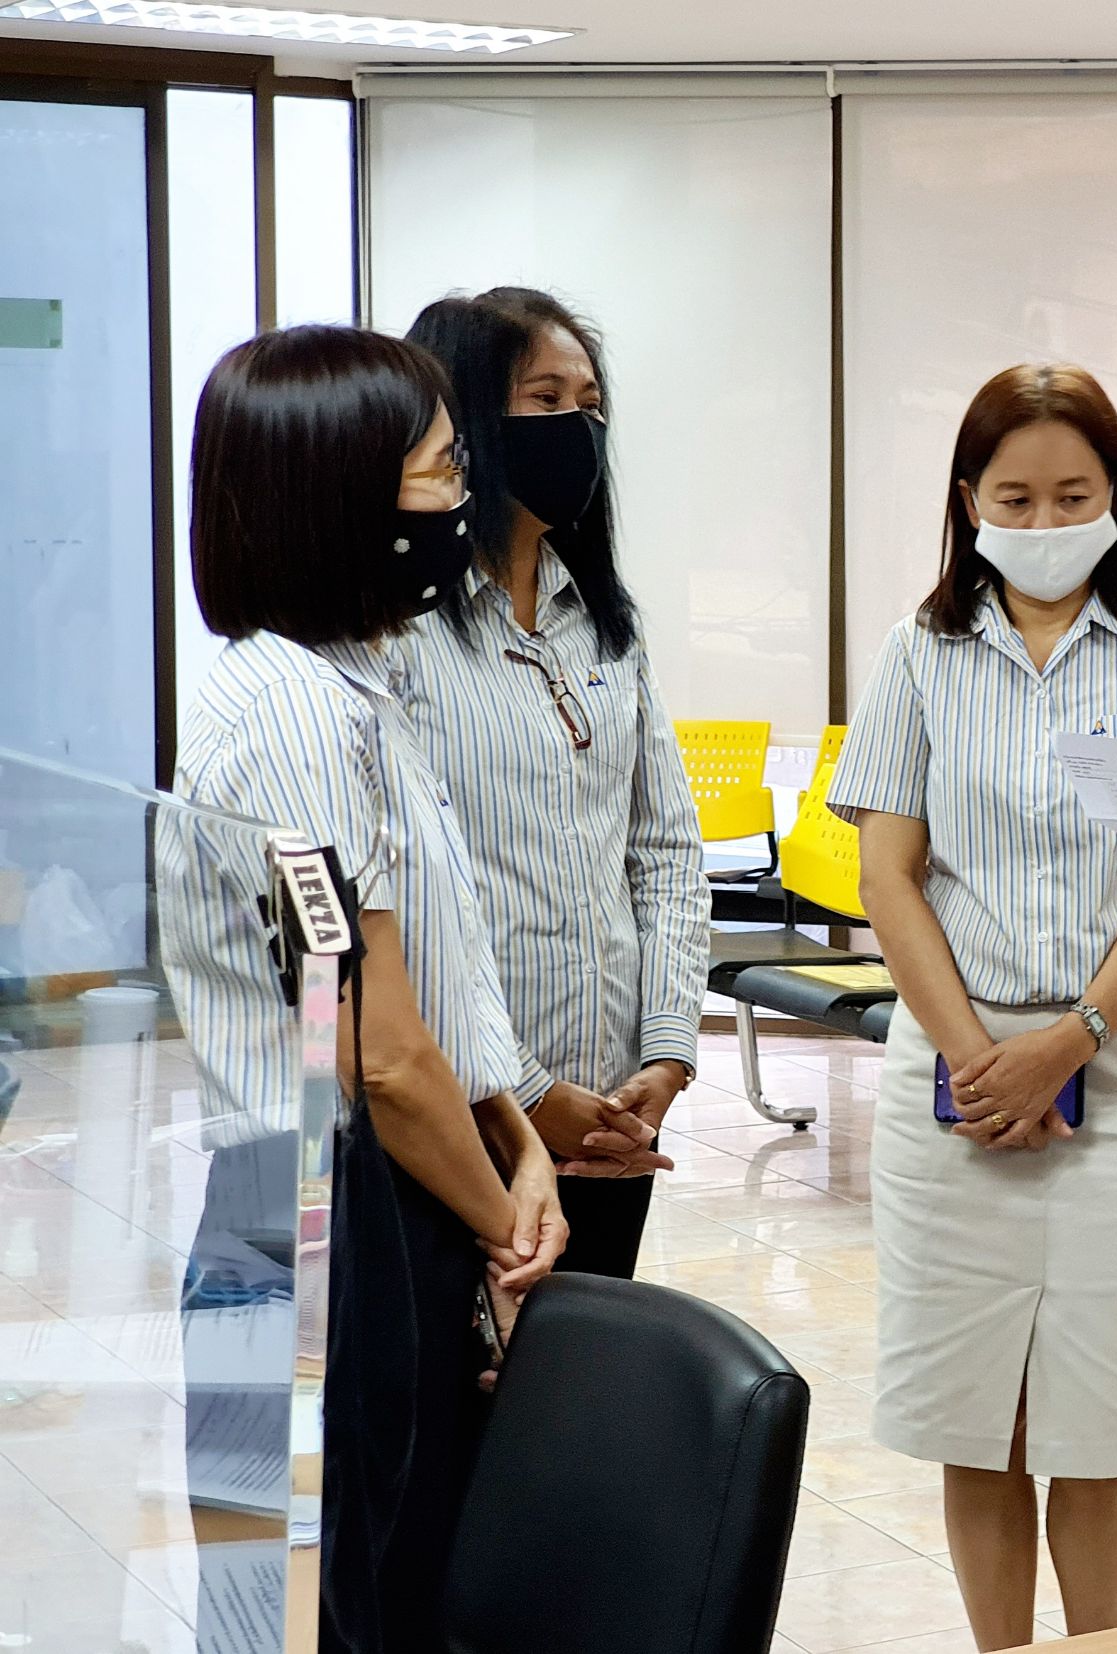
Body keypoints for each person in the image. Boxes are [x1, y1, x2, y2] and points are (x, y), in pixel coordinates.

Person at [826, 364, 1117, 1649]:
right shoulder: (920, 653)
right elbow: (888, 876)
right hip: (953, 1080)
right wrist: (980, 1059)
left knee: (1096, 1424)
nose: (1047, 519)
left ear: (1116, 496)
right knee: (980, 1420)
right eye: (1016, 497)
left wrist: (1071, 1042)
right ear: (971, 502)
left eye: (1074, 493)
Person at [164, 325, 567, 1652]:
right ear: (342, 495)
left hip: (388, 1199)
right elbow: (370, 1045)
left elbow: (435, 988)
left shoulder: (358, 689)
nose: (462, 498)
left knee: (391, 1583)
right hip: (317, 1217)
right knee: (320, 1608)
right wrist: (507, 1227)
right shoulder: (291, 715)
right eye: (441, 472)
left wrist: (516, 1141)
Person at [401, 287, 707, 1278]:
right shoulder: (400, 635)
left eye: (591, 403)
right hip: (465, 1107)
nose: (578, 426)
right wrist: (526, 1091)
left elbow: (664, 849)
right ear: (464, 421)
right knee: (468, 1360)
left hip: (615, 1112)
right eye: (546, 399)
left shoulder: (604, 620)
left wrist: (665, 1053)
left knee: (582, 1359)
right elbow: (406, 900)